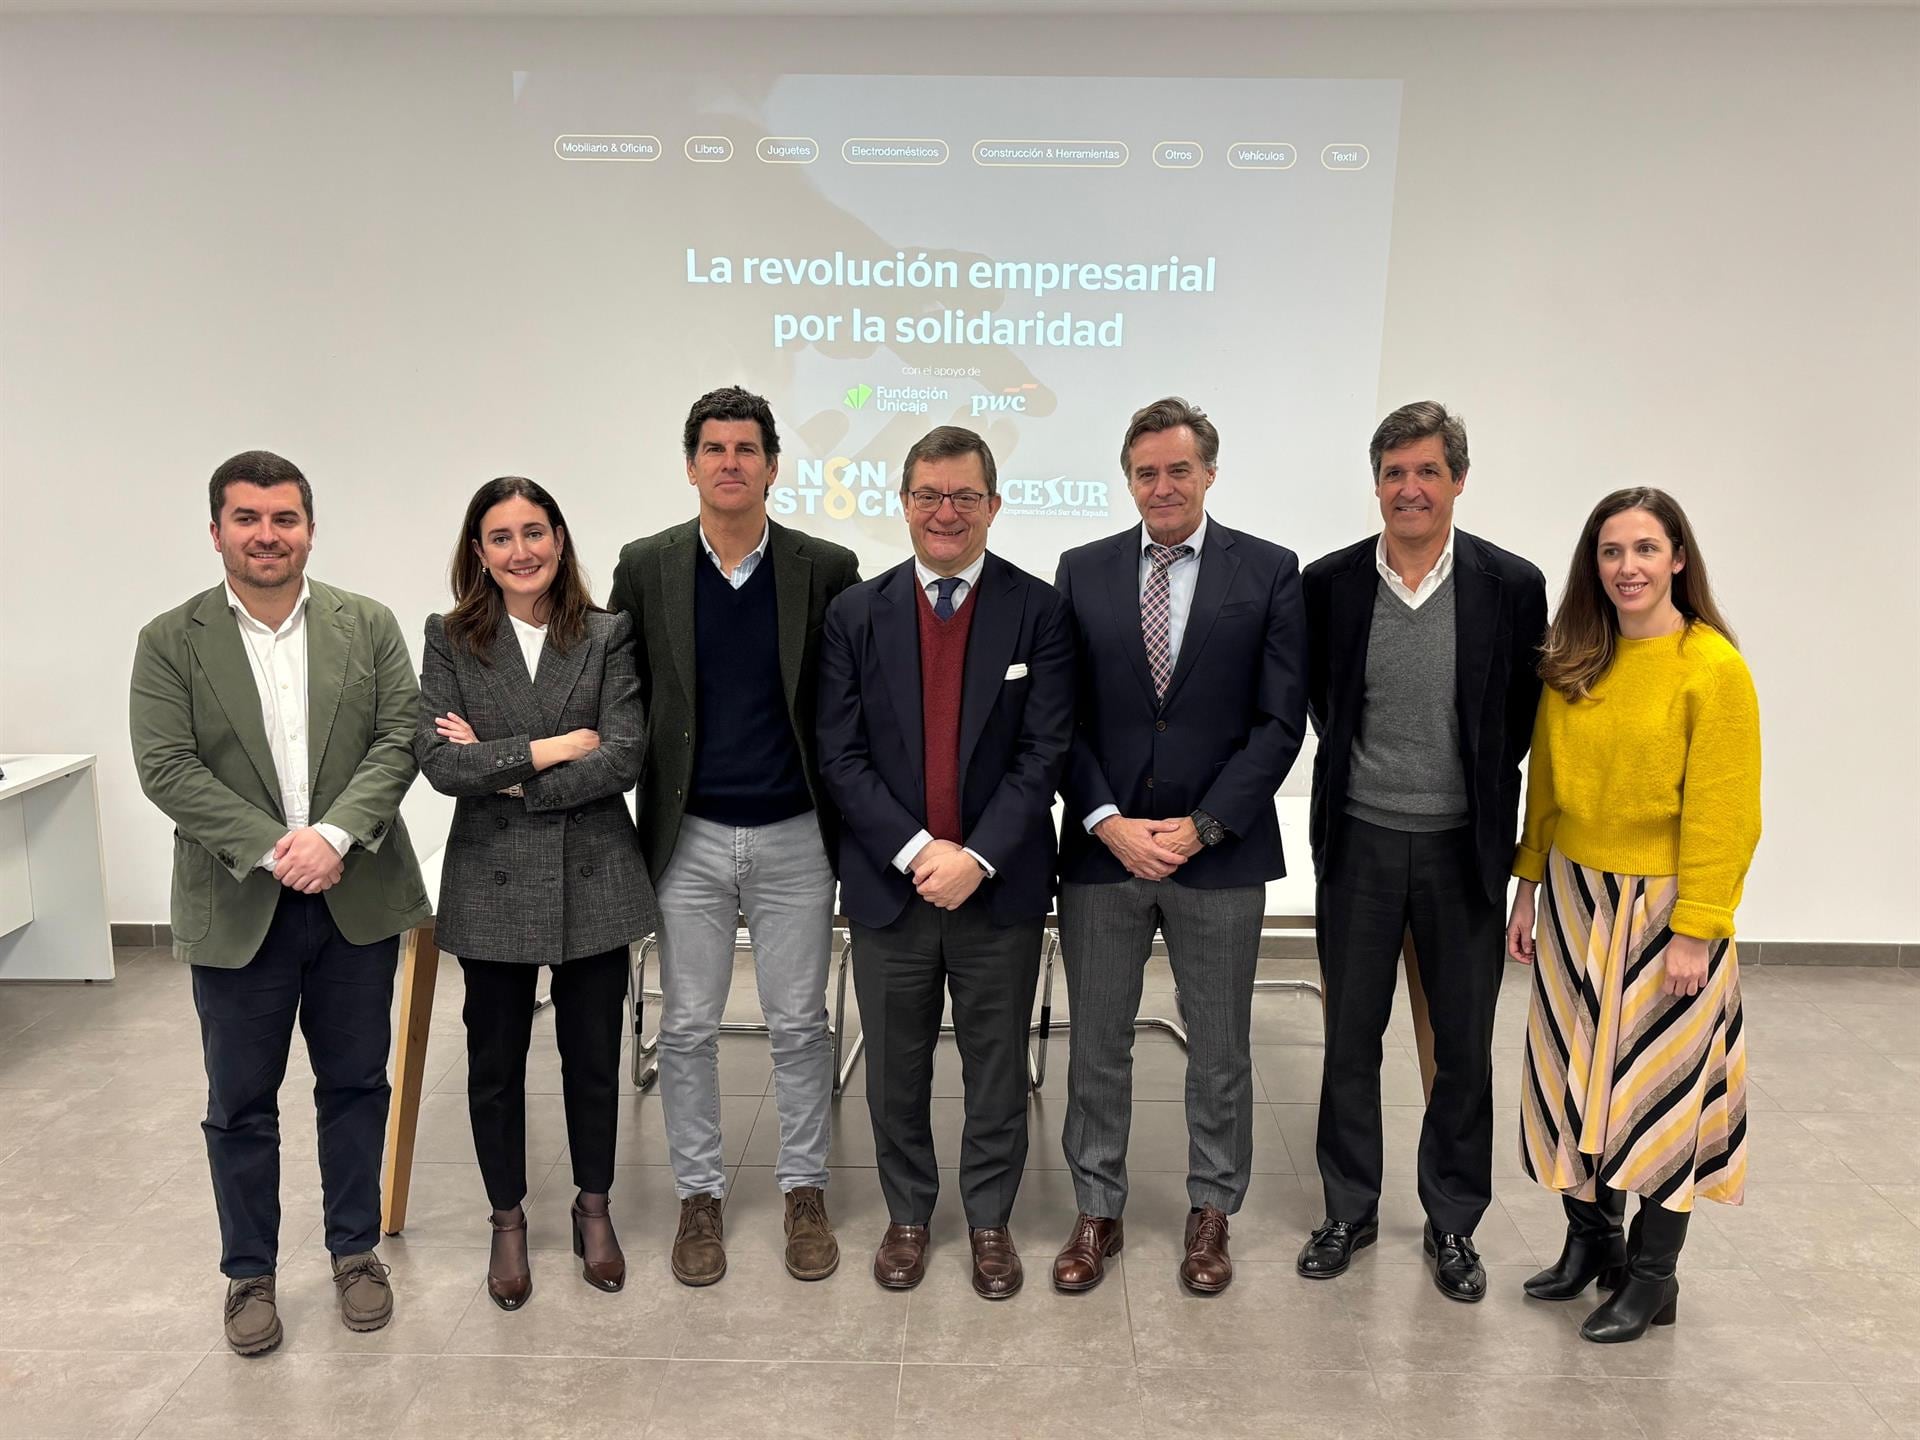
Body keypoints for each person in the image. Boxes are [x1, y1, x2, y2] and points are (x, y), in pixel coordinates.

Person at [130, 450, 430, 1356]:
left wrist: (331, 837)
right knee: (239, 1104)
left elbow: (400, 737)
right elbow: (167, 767)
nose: (267, 535)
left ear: (309, 529)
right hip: (238, 907)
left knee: (356, 1086)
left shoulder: (365, 624)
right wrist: (277, 847)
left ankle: (355, 1254)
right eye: (248, 518)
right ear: (216, 530)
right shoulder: (170, 639)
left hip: (354, 896)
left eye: (284, 518)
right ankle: (249, 1274)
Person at [1049, 397, 1308, 1296]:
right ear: (1128, 479)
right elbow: (1059, 718)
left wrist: (1203, 825)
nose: (1162, 486)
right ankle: (1097, 1208)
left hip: (1220, 855)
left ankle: (1211, 1211)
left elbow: (1281, 723)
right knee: (1098, 1045)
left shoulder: (1269, 571)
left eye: (1178, 470)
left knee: (1221, 1048)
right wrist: (1105, 818)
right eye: (1145, 472)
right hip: (1104, 853)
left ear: (1209, 473)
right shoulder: (1080, 571)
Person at [606, 386, 861, 1287]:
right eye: (713, 449)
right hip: (691, 835)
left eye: (746, 449)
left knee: (799, 1024)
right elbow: (621, 696)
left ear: (773, 466)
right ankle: (699, 1197)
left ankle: (804, 1190)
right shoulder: (646, 565)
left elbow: (846, 702)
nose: (730, 463)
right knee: (687, 1028)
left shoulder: (825, 567)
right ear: (690, 466)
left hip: (797, 833)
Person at [1294, 402, 1549, 1301]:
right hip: (1359, 840)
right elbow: (1326, 705)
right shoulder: (1328, 584)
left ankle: (1453, 1223)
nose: (1410, 488)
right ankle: (1348, 1209)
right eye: (1395, 472)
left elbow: (1517, 719)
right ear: (1376, 484)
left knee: (1464, 1048)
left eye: (1428, 471)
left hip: (1461, 849)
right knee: (1349, 1039)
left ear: (1458, 481)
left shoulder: (1511, 584)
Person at [816, 424, 1074, 1299]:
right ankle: (908, 1216)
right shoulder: (856, 613)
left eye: (965, 495)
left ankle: (991, 1220)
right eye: (929, 494)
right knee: (896, 1069)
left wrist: (979, 857)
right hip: (891, 887)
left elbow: (1044, 752)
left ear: (994, 505)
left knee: (996, 1070)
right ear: (904, 504)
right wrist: (920, 850)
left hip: (997, 890)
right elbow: (841, 754)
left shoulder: (1040, 611)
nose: (946, 512)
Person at [1506, 487, 1759, 1343]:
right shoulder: (1576, 659)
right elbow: (1545, 784)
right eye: (1612, 551)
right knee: (1574, 1080)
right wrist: (1529, 884)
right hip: (1576, 896)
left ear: (1679, 558)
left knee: (1658, 1093)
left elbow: (1727, 811)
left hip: (1664, 910)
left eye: (1646, 549)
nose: (1628, 567)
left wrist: (1698, 926)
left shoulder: (1711, 668)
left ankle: (1654, 1278)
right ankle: (1592, 1244)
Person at [415, 476, 655, 1309]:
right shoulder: (449, 637)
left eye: (534, 532)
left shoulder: (607, 633)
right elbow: (441, 764)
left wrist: (505, 768)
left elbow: (623, 755)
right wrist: (551, 749)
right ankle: (507, 1219)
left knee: (592, 1059)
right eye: (501, 537)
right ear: (478, 552)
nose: (521, 551)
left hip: (595, 877)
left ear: (559, 538)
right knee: (494, 1064)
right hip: (492, 879)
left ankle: (594, 1208)